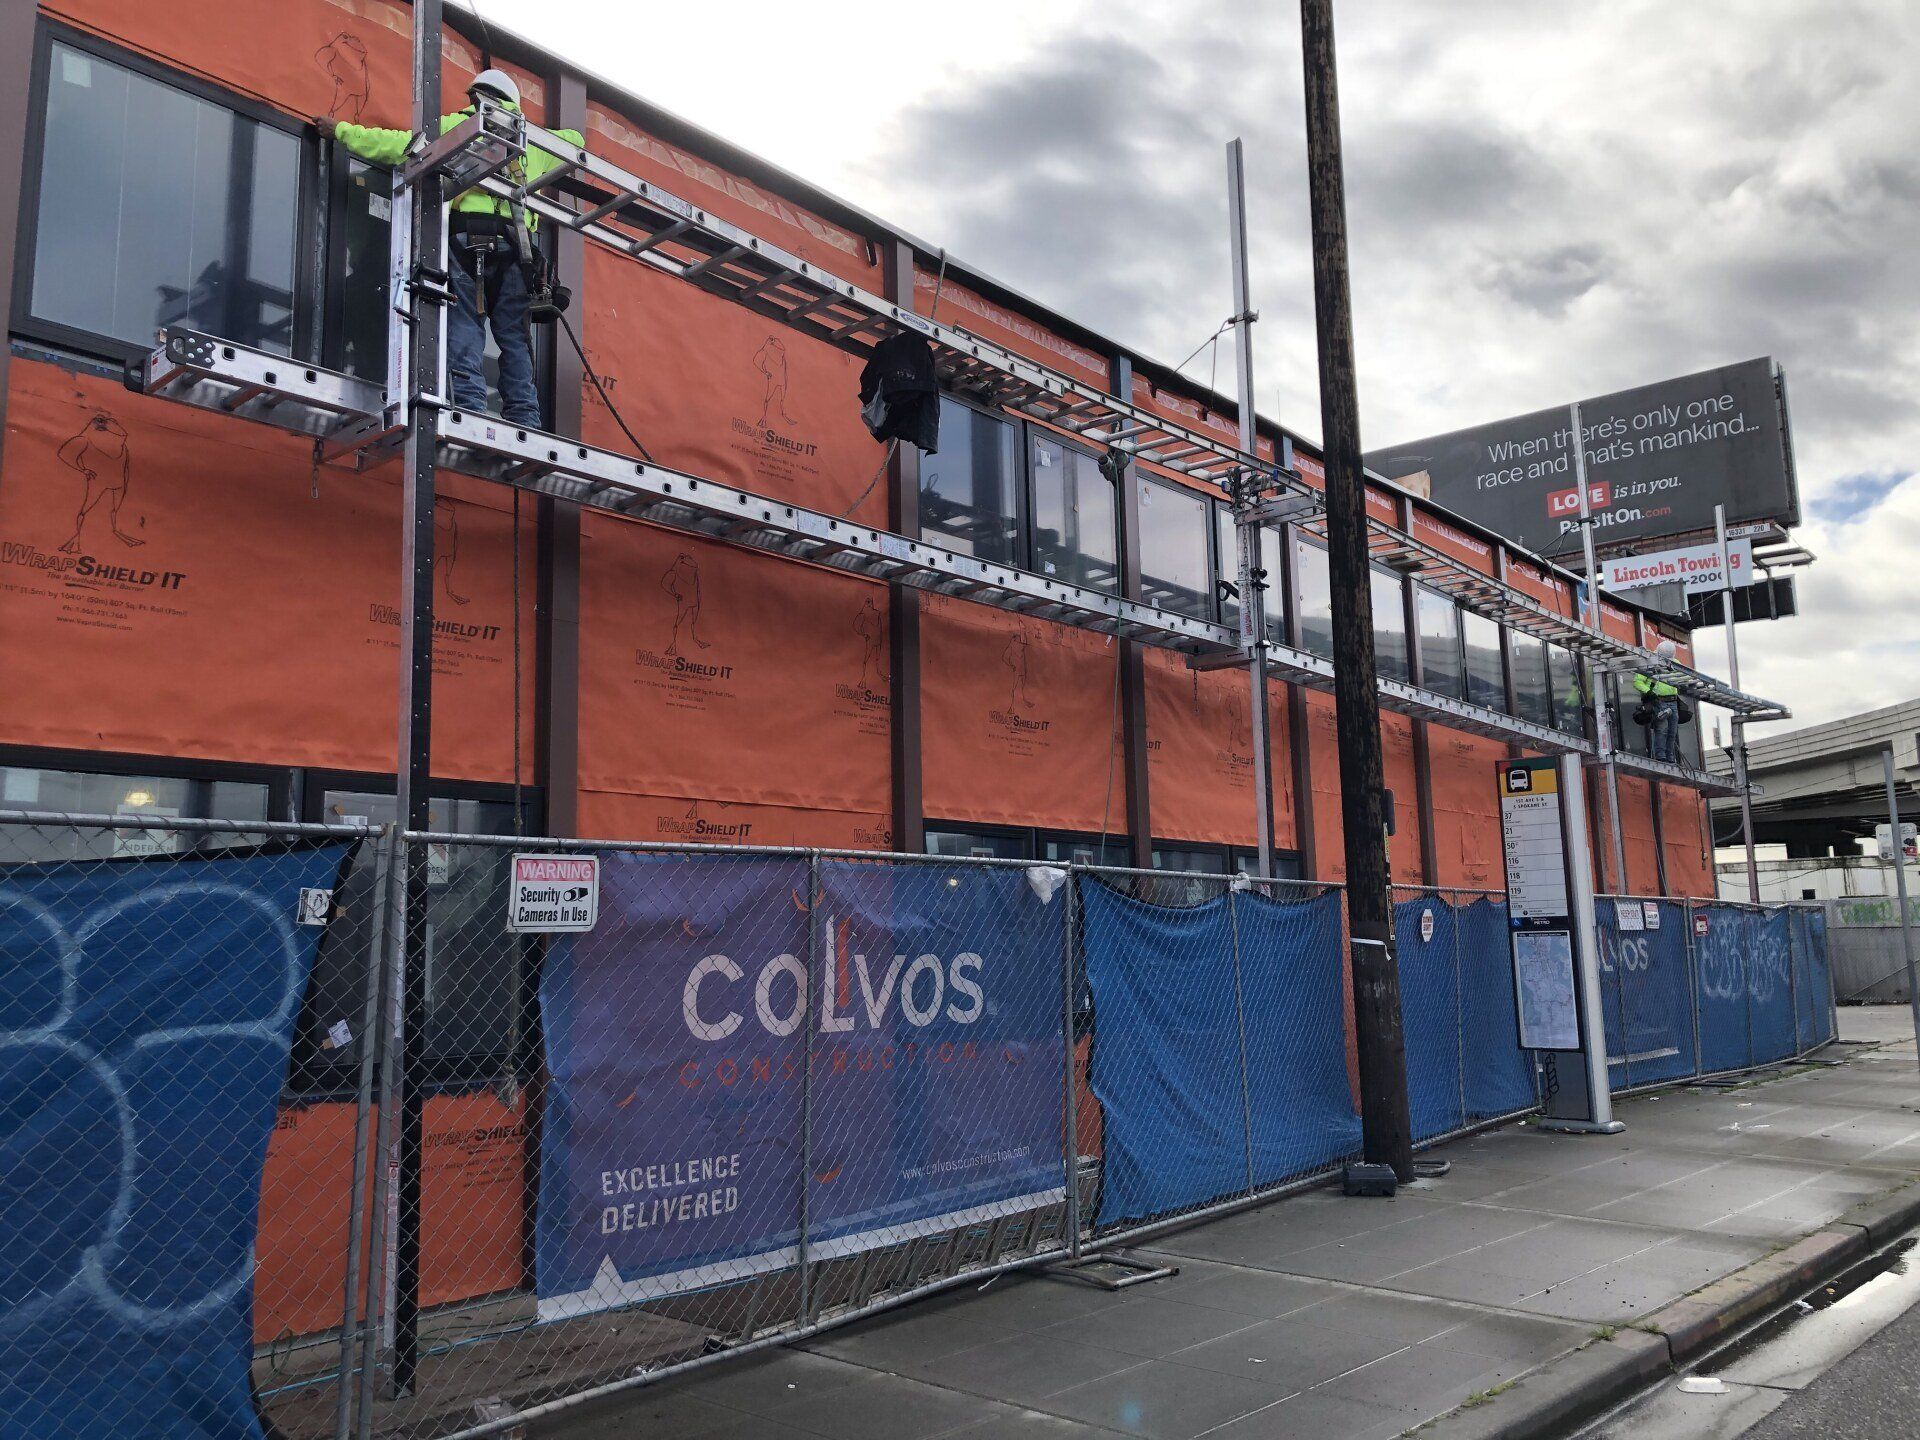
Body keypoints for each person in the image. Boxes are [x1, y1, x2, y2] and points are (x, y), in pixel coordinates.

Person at [329, 70, 582, 429]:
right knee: (514, 338)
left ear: (475, 97)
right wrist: (529, 131)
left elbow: (396, 146)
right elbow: (575, 141)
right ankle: (525, 417)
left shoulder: (457, 126)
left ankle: (470, 407)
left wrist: (342, 132)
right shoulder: (533, 144)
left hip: (466, 246)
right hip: (516, 253)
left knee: (465, 328)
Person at [1633, 638, 1682, 762]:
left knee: (1672, 731)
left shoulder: (1675, 663)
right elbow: (1638, 682)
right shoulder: (1650, 662)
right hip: (1659, 701)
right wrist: (1649, 692)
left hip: (1672, 701)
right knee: (1661, 729)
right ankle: (1661, 756)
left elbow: (1682, 679)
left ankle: (1670, 757)